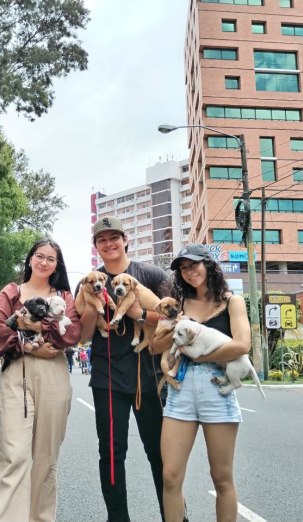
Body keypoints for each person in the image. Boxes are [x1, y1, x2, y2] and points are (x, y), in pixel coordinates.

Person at [76, 216, 170, 522]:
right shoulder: (91, 280)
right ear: (96, 247)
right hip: (108, 377)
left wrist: (139, 313)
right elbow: (83, 336)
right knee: (112, 455)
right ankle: (117, 518)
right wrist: (92, 308)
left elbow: (175, 318)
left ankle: (174, 517)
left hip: (150, 374)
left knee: (161, 455)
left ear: (125, 239)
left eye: (114, 237)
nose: (109, 243)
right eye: (102, 240)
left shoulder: (152, 274)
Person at [151, 243, 251, 522]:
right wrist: (169, 328)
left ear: (208, 264)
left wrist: (196, 353)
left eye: (193, 264)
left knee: (221, 478)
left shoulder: (233, 302)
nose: (188, 272)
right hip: (180, 391)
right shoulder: (178, 306)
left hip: (216, 389)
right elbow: (155, 347)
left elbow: (242, 345)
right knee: (170, 475)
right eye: (183, 268)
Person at [0, 238, 81, 522]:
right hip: (17, 372)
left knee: (46, 460)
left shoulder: (64, 296)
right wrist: (29, 345)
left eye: (51, 259)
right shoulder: (12, 291)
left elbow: (72, 334)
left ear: (57, 265)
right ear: (30, 259)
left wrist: (33, 325)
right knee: (13, 455)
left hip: (54, 374)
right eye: (39, 256)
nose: (44, 262)